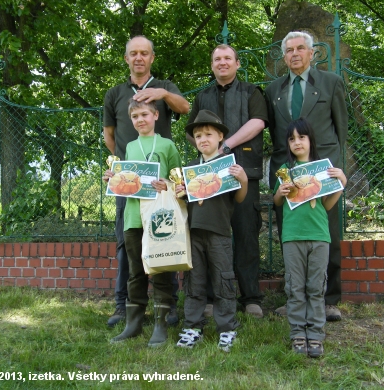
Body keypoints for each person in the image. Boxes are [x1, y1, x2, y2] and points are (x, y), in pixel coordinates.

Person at [104, 35, 190, 327]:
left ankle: (169, 307)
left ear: (152, 58)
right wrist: (124, 170)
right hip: (129, 187)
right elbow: (109, 136)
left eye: (144, 53)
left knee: (164, 239)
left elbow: (185, 109)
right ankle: (123, 306)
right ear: (126, 58)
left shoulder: (164, 87)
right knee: (126, 243)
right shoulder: (114, 93)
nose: (139, 58)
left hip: (160, 189)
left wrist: (161, 94)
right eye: (133, 54)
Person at [265, 31, 348, 322]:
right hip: (289, 174)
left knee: (329, 234)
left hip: (322, 174)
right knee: (291, 236)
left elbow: (341, 130)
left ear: (312, 53)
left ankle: (329, 299)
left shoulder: (331, 83)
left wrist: (336, 172)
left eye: (301, 48)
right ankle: (294, 299)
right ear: (283, 56)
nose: (295, 54)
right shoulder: (273, 89)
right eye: (289, 50)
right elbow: (277, 134)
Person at [186, 44, 268, 318]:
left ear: (237, 63)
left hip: (244, 173)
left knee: (246, 235)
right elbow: (192, 132)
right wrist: (207, 155)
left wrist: (226, 146)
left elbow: (258, 122)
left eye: (227, 58)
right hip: (208, 181)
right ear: (212, 65)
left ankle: (251, 297)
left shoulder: (251, 92)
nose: (222, 63)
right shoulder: (202, 96)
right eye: (217, 59)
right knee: (208, 237)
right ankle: (209, 297)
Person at [104, 99, 182, 347]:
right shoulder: (128, 148)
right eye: (135, 116)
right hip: (133, 218)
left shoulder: (168, 145)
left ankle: (160, 324)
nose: (140, 120)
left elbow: (179, 185)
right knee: (135, 272)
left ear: (156, 115)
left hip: (159, 218)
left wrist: (166, 185)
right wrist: (112, 178)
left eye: (145, 114)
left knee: (159, 269)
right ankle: (133, 324)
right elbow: (127, 180)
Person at [273, 118, 347, 357]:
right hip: (292, 237)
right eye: (292, 138)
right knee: (295, 287)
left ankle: (315, 335)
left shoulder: (323, 171)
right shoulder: (286, 173)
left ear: (310, 140)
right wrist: (279, 193)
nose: (297, 142)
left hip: (319, 236)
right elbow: (277, 202)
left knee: (316, 287)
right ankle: (297, 333)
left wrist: (340, 184)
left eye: (301, 137)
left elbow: (326, 206)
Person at [175, 110, 247, 352]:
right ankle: (192, 326)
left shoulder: (229, 166)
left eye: (208, 134)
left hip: (219, 233)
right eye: (197, 136)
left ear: (220, 137)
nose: (203, 139)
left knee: (223, 280)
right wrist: (181, 193)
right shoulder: (191, 169)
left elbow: (239, 197)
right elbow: (186, 202)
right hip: (194, 232)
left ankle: (227, 328)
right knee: (194, 281)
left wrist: (243, 180)